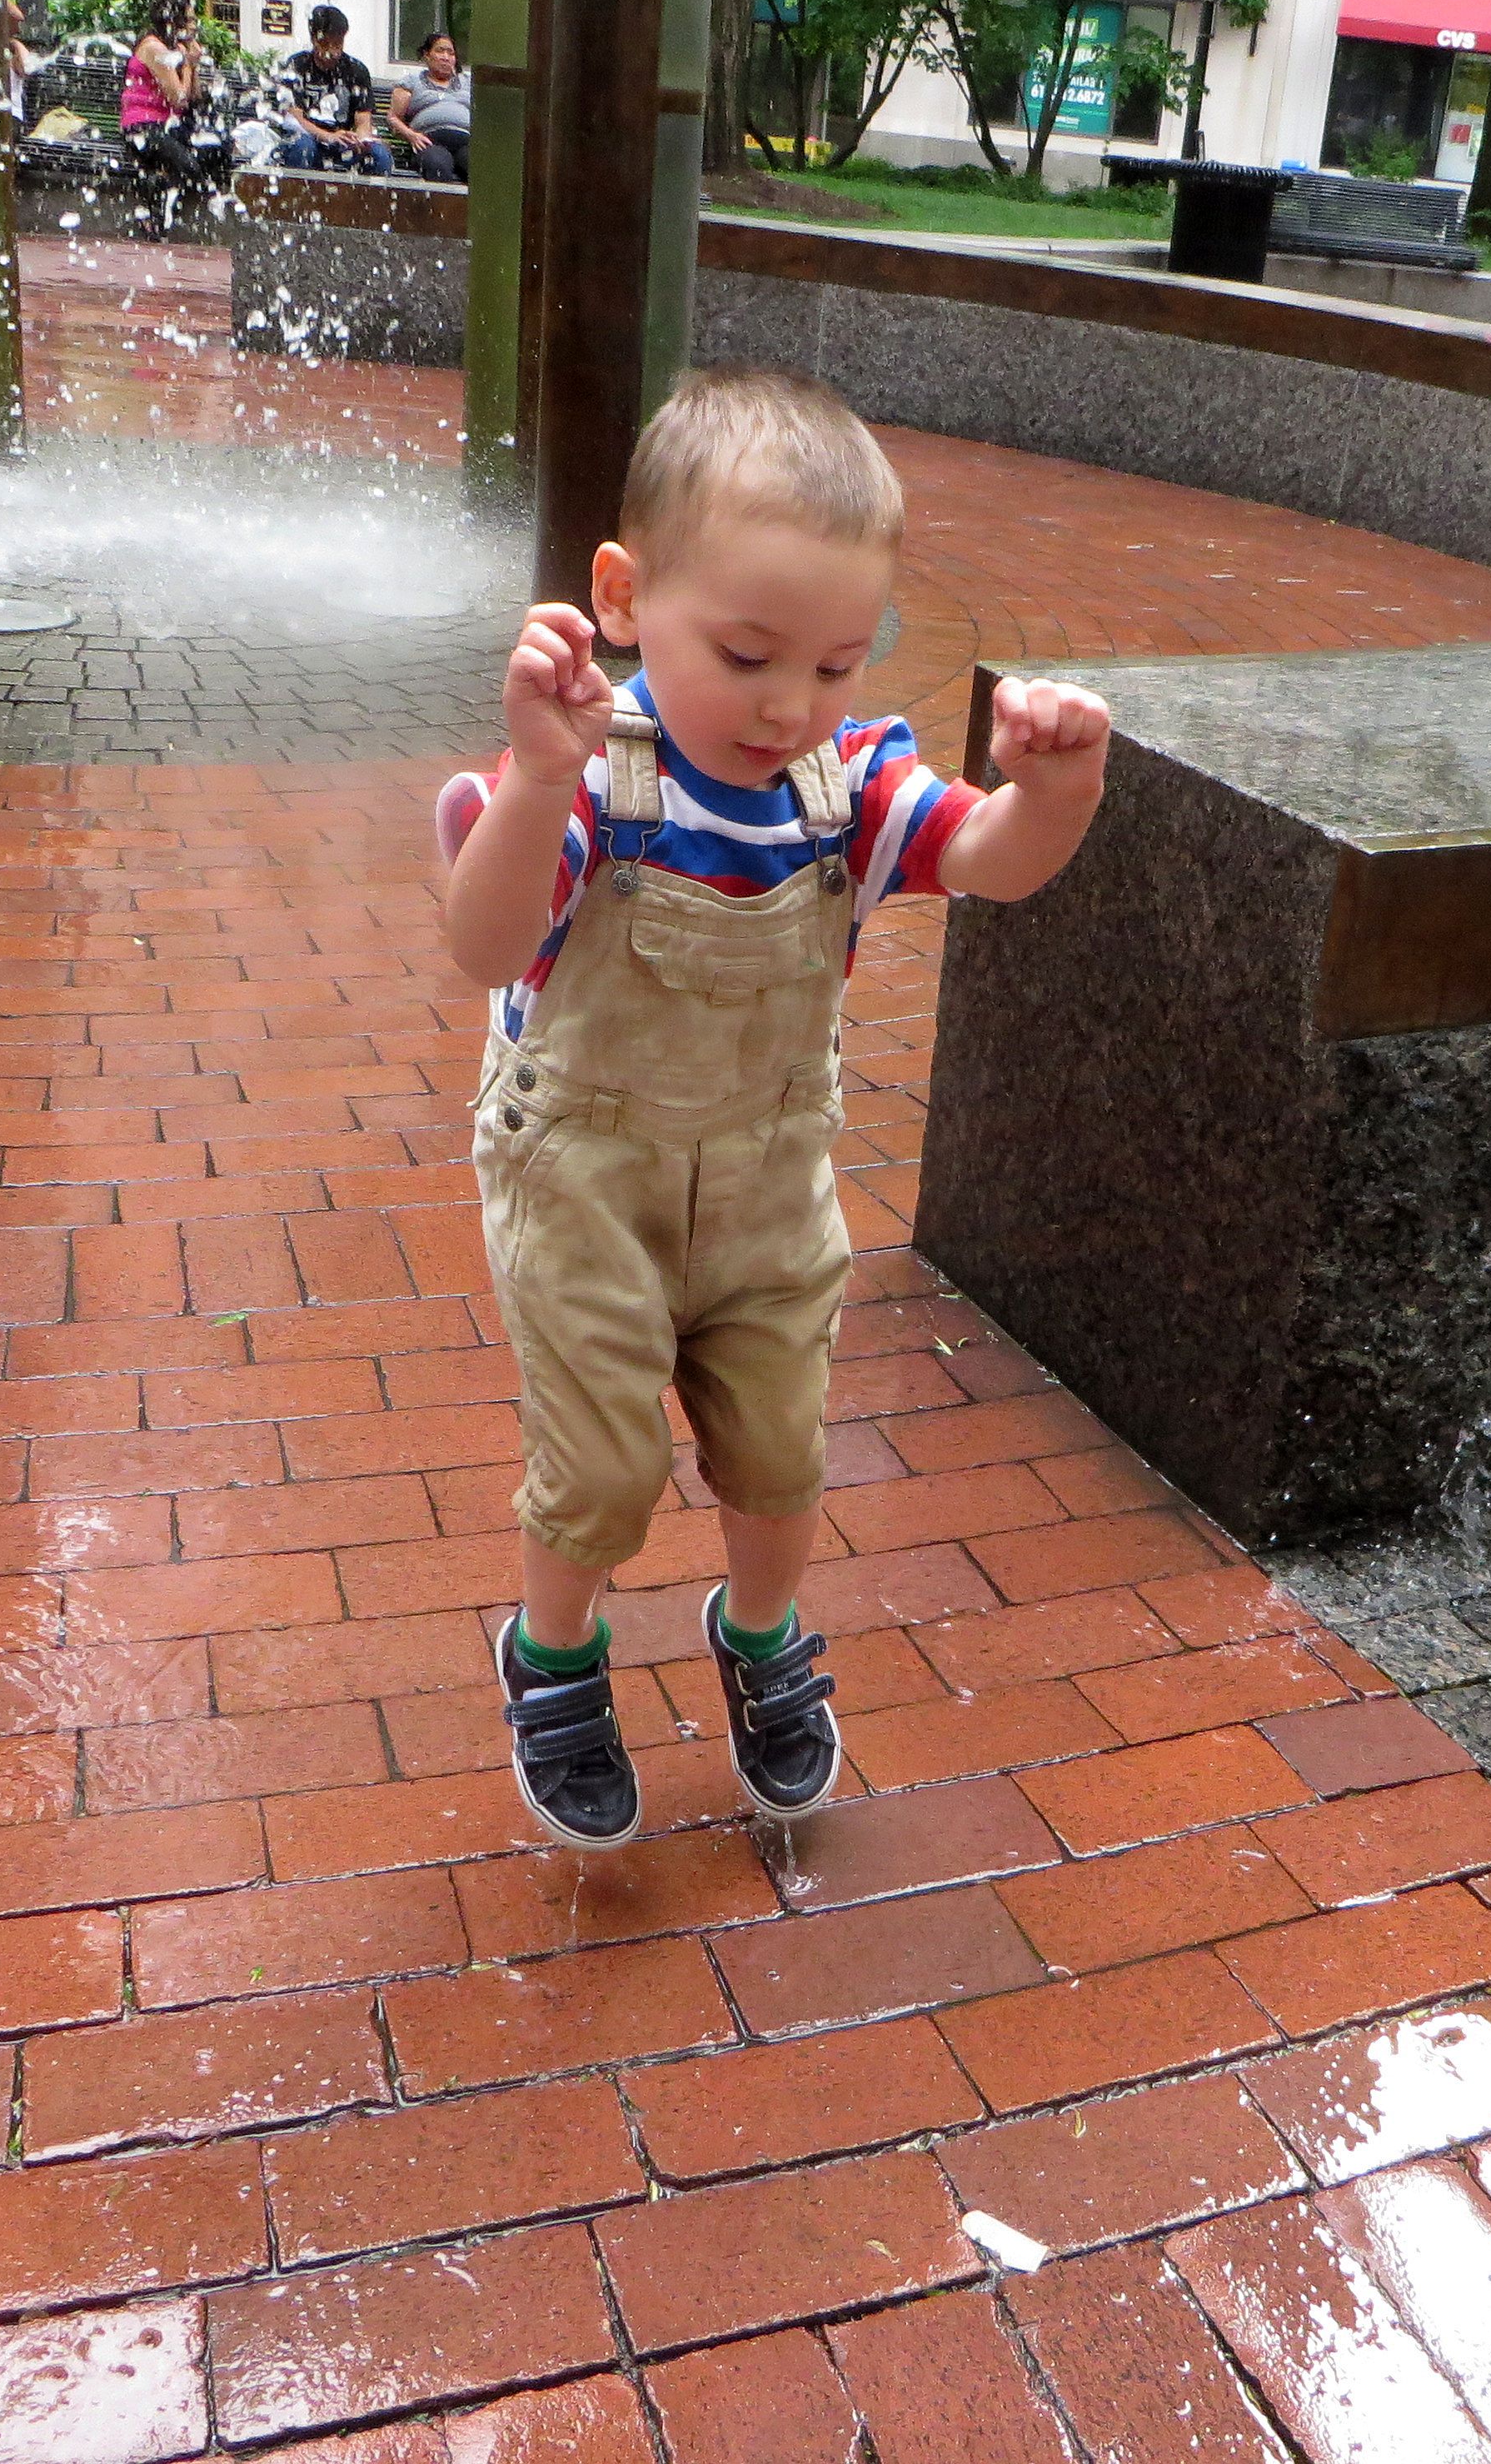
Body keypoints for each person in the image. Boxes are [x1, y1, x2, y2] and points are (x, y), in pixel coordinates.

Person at [437, 368, 1111, 1847]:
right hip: (585, 1178)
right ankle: (553, 1650)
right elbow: (485, 947)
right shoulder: (591, 774)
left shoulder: (845, 782)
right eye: (746, 655)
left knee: (780, 1448)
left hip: (766, 1181)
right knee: (603, 1465)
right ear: (626, 598)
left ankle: (758, 1631)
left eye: (837, 663)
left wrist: (1054, 796)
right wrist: (537, 778)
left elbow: (988, 862)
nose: (790, 703)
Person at [120, 0, 209, 222]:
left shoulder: (176, 48)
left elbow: (194, 98)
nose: (194, 26)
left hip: (167, 126)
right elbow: (178, 99)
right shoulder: (154, 48)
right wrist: (188, 65)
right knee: (190, 169)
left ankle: (161, 210)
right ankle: (152, 209)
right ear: (173, 20)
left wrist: (193, 65)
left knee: (216, 151)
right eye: (188, 20)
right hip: (143, 128)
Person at [276, 2, 391, 173]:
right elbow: (295, 119)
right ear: (314, 39)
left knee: (379, 155)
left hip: (342, 143)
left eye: (337, 44)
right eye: (325, 44)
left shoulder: (356, 70)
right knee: (303, 146)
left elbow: (363, 120)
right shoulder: (297, 66)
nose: (331, 51)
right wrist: (328, 136)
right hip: (307, 138)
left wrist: (361, 140)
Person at [388, 29, 471, 182]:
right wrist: (411, 136)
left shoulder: (468, 82)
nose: (446, 57)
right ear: (427, 55)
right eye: (440, 51)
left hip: (466, 142)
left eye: (451, 53)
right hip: (430, 142)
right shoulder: (412, 81)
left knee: (481, 168)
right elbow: (393, 119)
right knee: (438, 166)